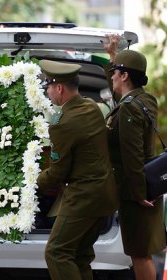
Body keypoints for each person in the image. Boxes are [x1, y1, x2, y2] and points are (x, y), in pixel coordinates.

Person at [36, 60, 118, 280]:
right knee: (80, 256)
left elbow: (57, 173)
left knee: (57, 252)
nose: (48, 92)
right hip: (104, 197)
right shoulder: (91, 107)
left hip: (83, 198)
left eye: (48, 87)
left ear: (59, 88)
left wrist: (30, 184)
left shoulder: (63, 123)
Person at [103, 34, 165, 280]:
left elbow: (131, 155)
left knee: (139, 254)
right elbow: (121, 97)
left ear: (125, 76)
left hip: (137, 191)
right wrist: (113, 56)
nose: (112, 77)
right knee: (142, 251)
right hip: (148, 185)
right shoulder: (144, 99)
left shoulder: (129, 107)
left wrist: (139, 194)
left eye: (115, 73)